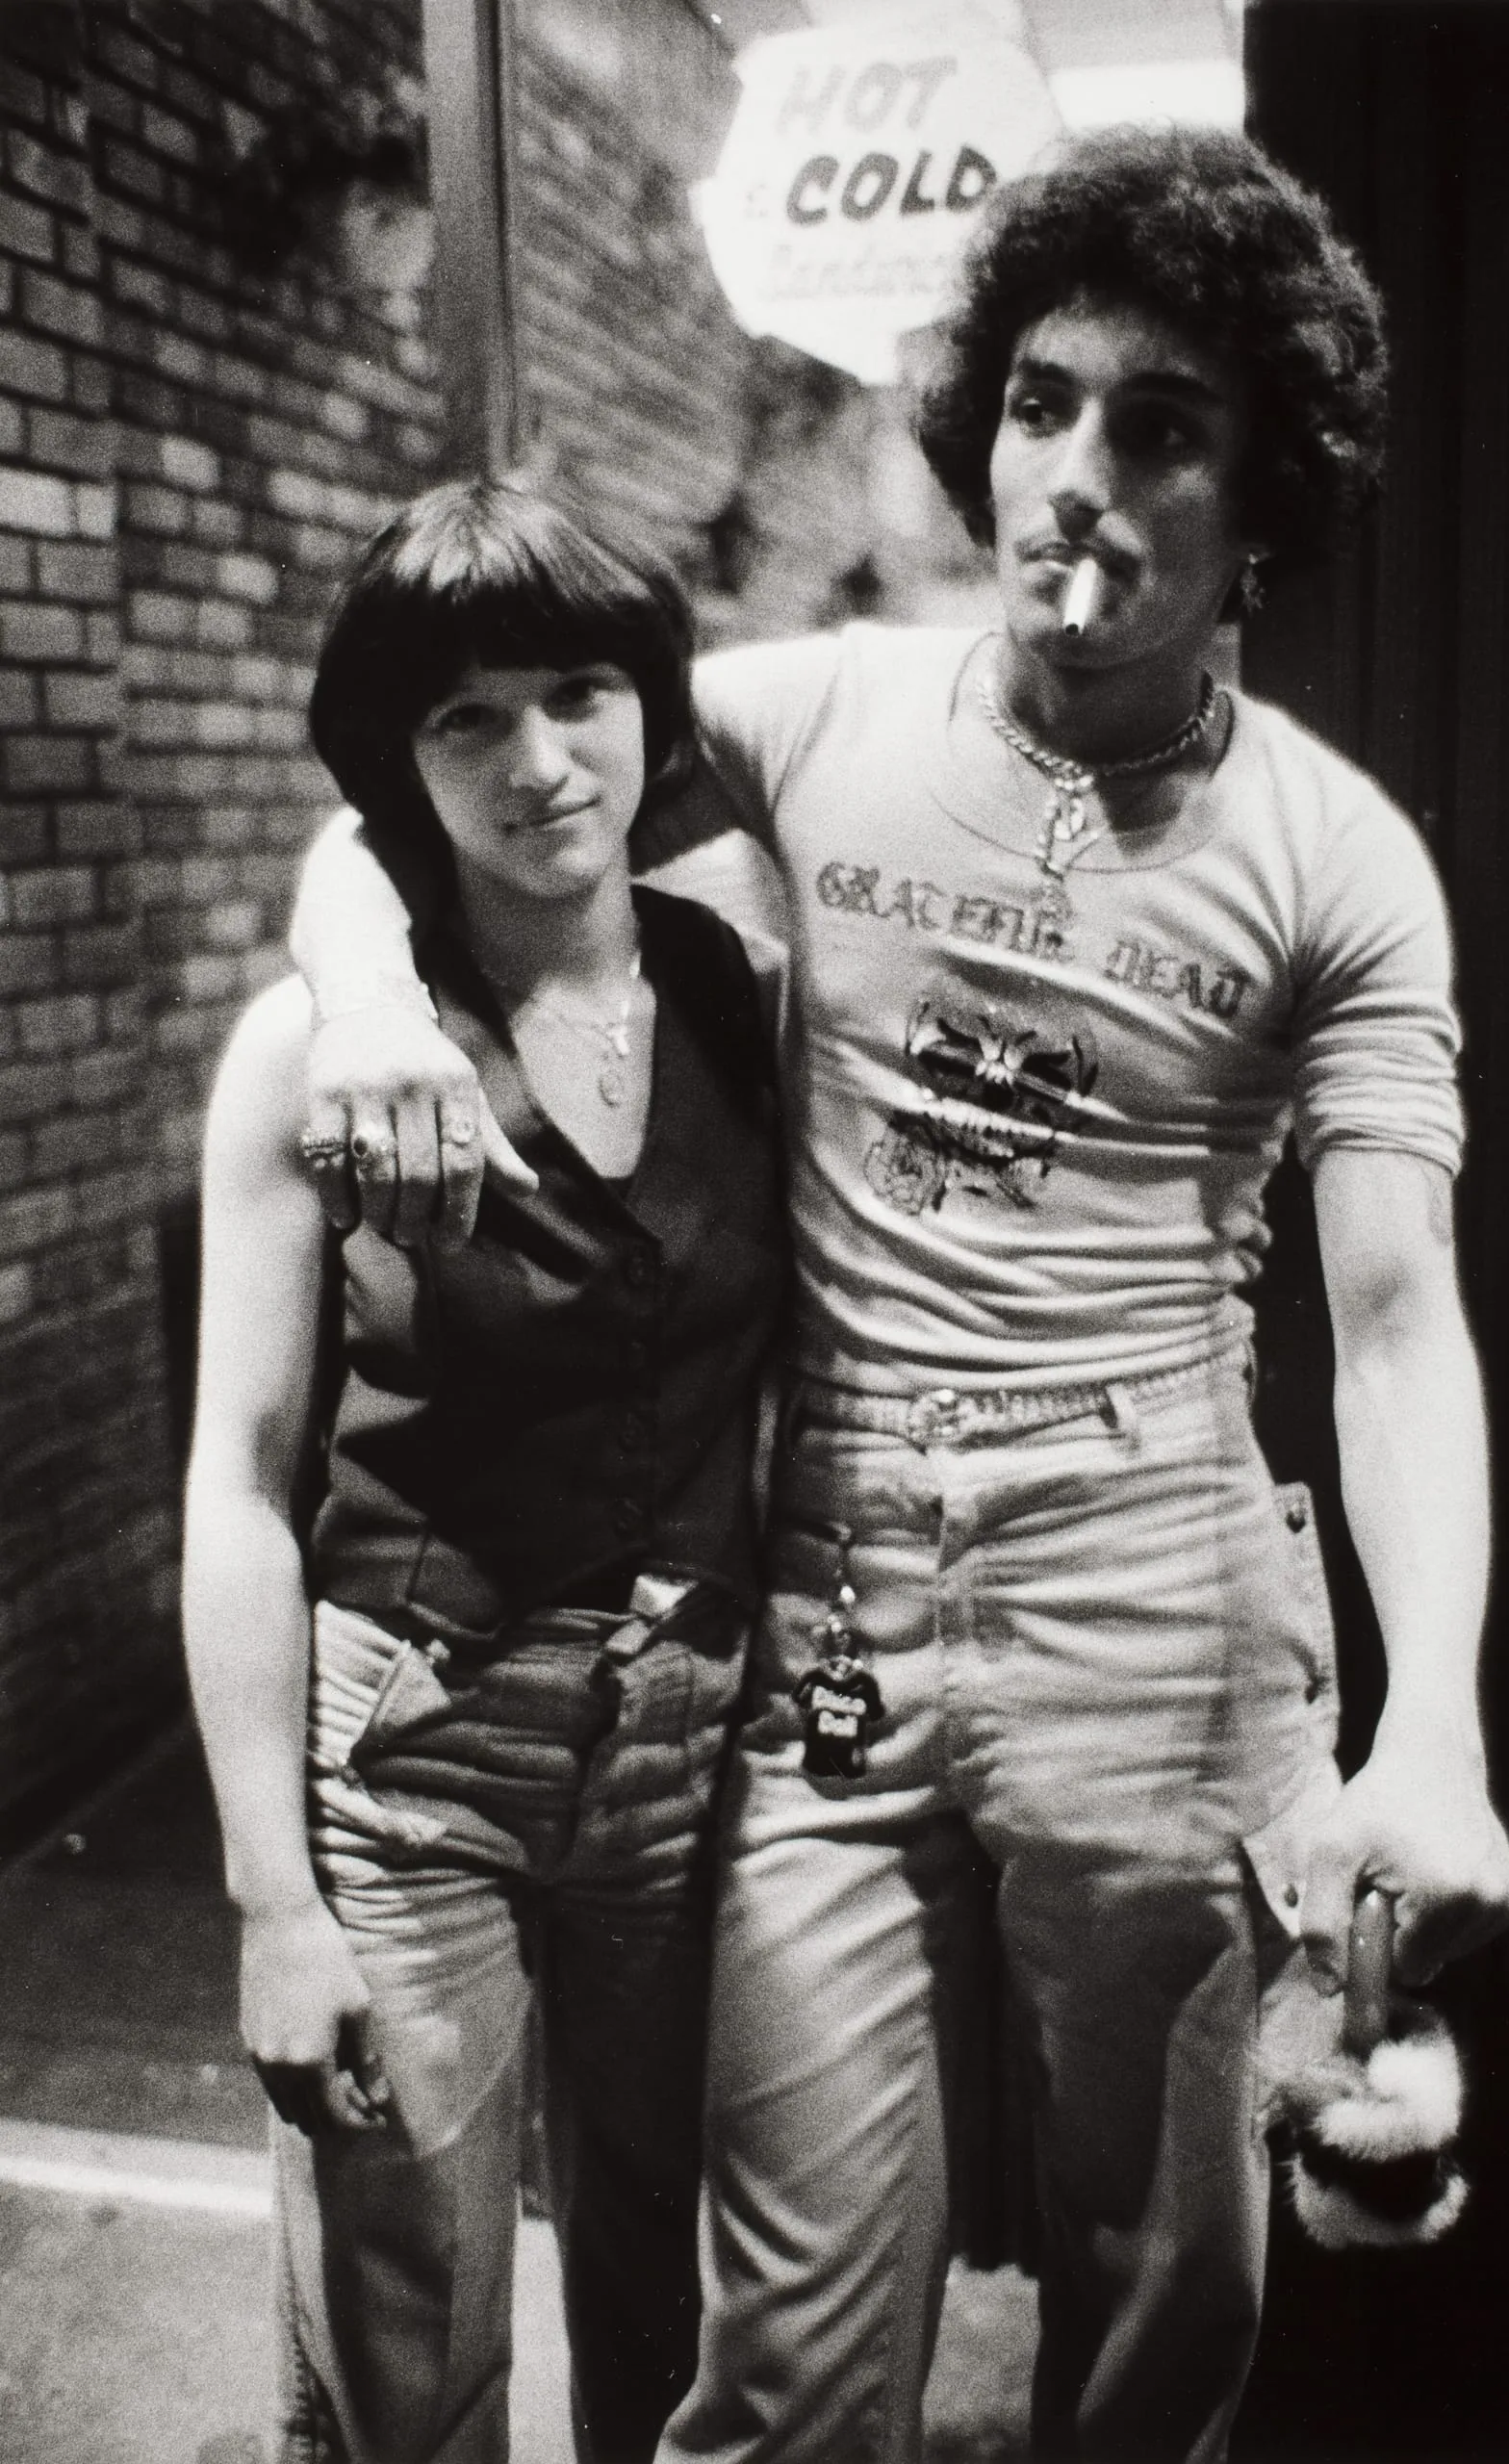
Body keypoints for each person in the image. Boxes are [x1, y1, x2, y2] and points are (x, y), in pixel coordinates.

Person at [286, 128, 1509, 2464]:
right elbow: (425, 791)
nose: (1074, 473)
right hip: (833, 1598)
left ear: (1263, 487)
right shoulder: (818, 715)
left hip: (1156, 1594)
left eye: (1156, 424)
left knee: (1162, 2307)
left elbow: (1392, 1327)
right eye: (1038, 403)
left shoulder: (1333, 854)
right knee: (780, 2353)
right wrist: (361, 1002)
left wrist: (1433, 1722)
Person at [182, 477, 785, 2464]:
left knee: (661, 2300)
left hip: (685, 1745)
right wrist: (272, 1898)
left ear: (649, 707)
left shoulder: (743, 1000)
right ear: (399, 761)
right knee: (408, 2323)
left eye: (576, 694)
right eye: (465, 718)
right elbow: (239, 1489)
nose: (536, 763)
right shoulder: (313, 1050)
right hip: (415, 1746)